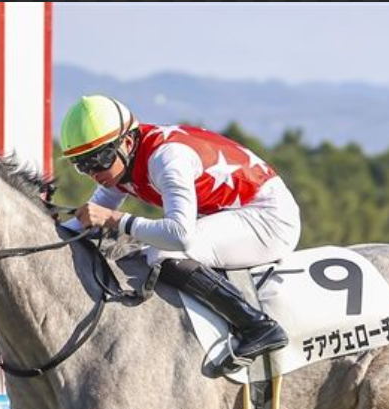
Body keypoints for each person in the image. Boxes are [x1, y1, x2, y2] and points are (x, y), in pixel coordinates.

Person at [59, 94, 301, 368]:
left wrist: (116, 220)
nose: (93, 172)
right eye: (82, 165)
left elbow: (179, 235)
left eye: (98, 160)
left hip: (270, 218)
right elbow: (88, 218)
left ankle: (258, 326)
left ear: (126, 143)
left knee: (163, 252)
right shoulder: (123, 161)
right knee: (144, 252)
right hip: (238, 211)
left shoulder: (166, 159)